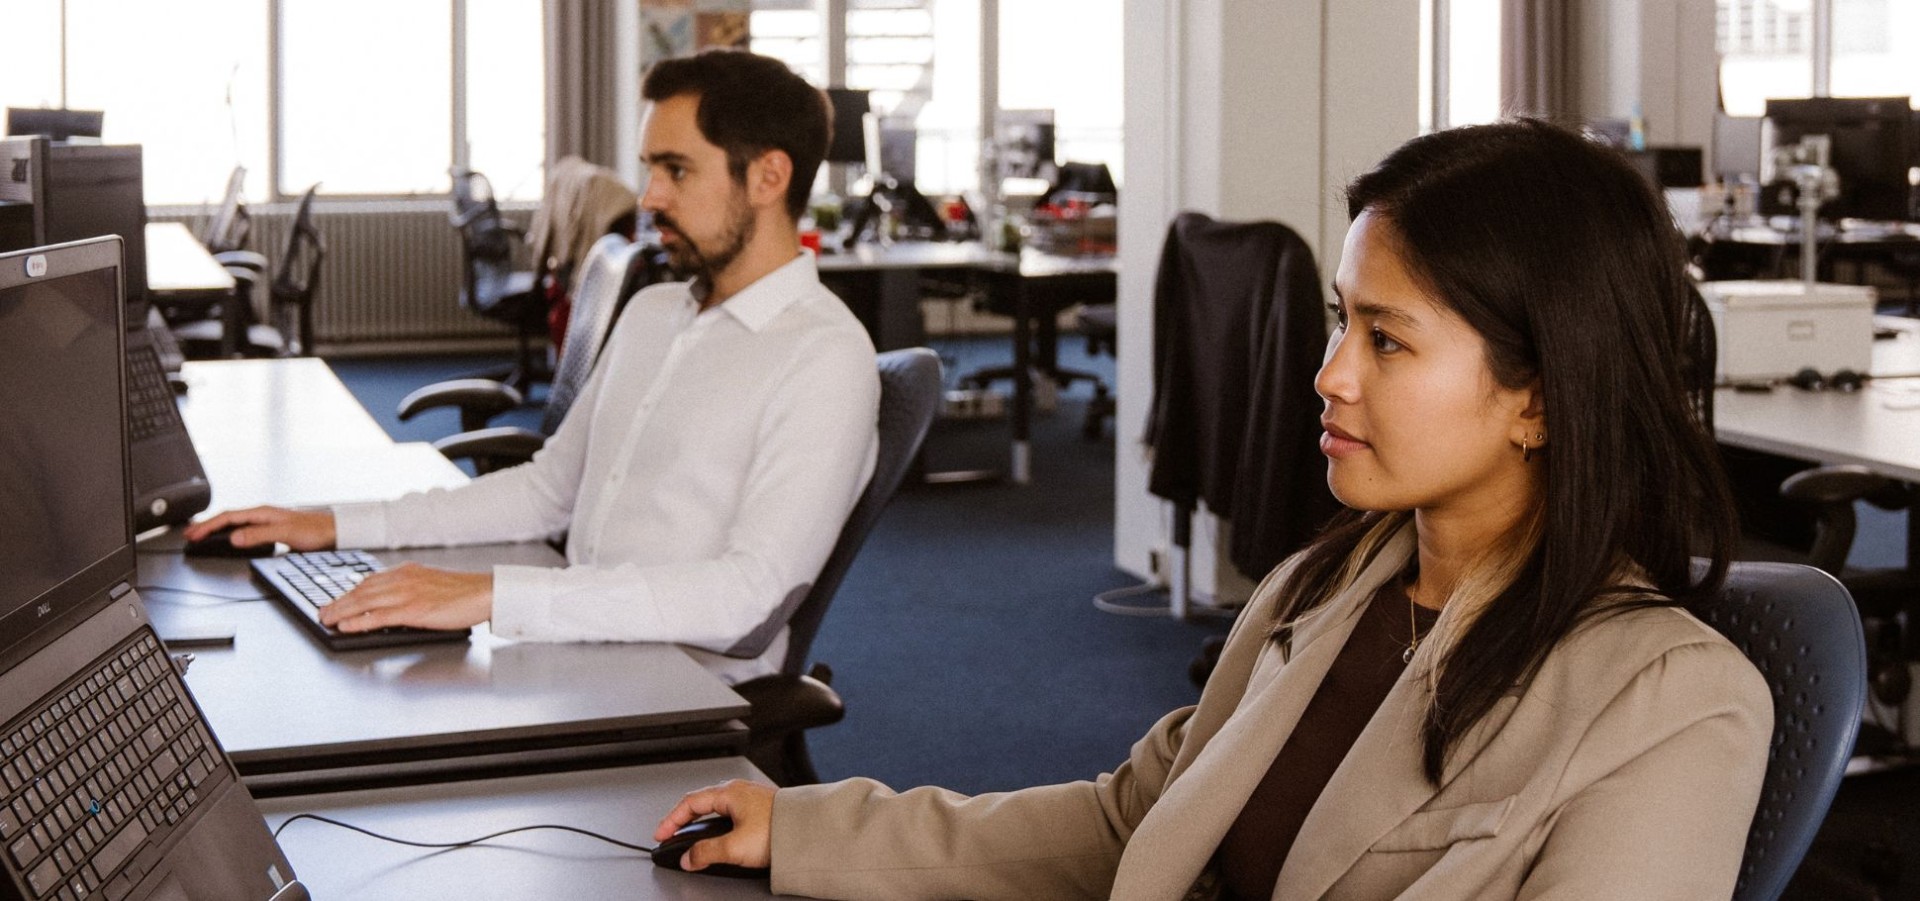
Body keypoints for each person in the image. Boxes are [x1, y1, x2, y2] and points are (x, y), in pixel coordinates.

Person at [654, 119, 1774, 898]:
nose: (1331, 374)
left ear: (1539, 396)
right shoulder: (1322, 589)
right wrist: (810, 828)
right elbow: (1129, 825)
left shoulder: (1667, 702)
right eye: (1342, 323)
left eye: (1386, 339)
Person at [184, 49, 880, 683]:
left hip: (679, 691)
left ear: (769, 176)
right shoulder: (656, 311)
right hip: (574, 645)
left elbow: (745, 598)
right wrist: (332, 524)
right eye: (650, 169)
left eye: (676, 169)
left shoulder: (825, 357)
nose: (649, 198)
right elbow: (549, 492)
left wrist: (493, 593)